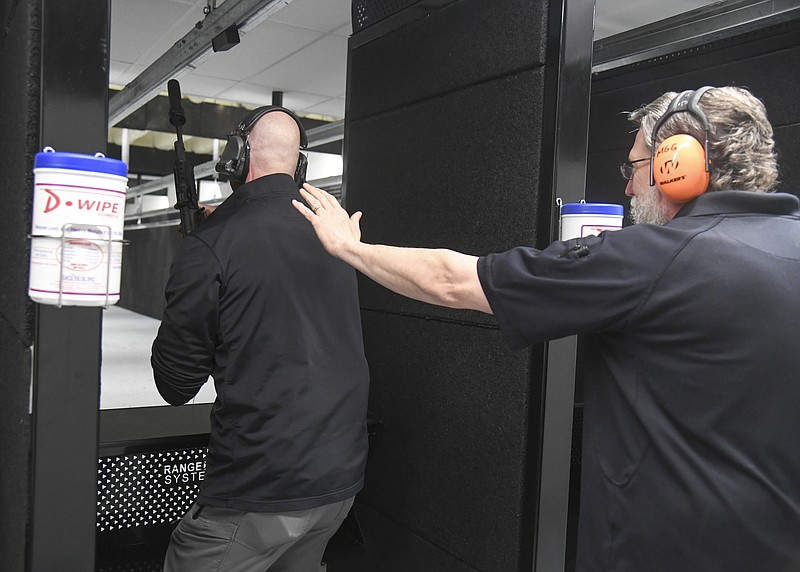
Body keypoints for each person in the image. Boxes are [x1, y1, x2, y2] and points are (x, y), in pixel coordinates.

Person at [292, 86, 800, 571]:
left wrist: (349, 248)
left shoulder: (654, 259)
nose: (626, 184)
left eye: (636, 165)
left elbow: (452, 281)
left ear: (679, 164)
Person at [151, 106, 370, 572]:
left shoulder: (213, 244)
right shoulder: (334, 235)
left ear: (237, 154)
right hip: (337, 485)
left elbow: (174, 384)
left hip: (262, 490)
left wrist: (199, 258)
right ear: (301, 165)